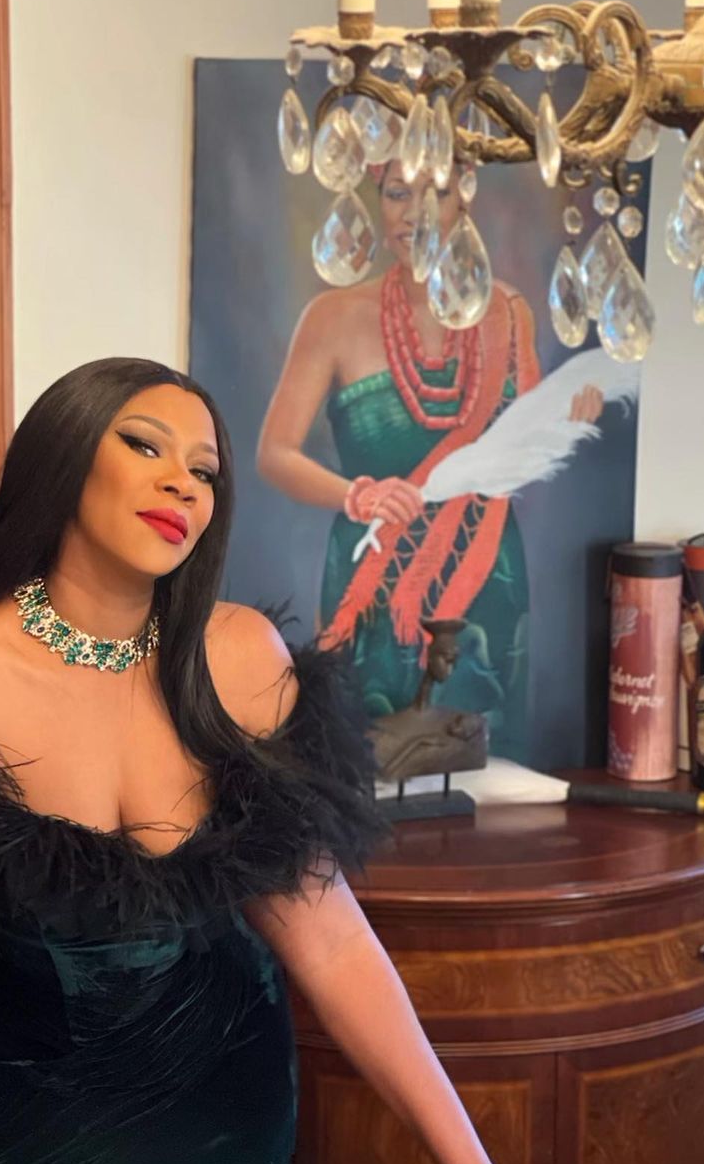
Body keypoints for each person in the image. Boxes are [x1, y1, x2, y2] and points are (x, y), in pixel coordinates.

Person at [0, 358, 654, 1164]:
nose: (182, 485)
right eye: (145, 446)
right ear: (64, 457)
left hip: (229, 1089)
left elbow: (331, 942)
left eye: (204, 470)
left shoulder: (241, 659)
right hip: (29, 1098)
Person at [257, 161, 604, 761]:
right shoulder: (332, 316)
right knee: (363, 767)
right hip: (371, 576)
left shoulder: (507, 312)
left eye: (435, 194)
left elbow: (521, 448)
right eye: (397, 193)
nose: (414, 213)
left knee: (483, 770)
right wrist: (357, 496)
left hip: (486, 573)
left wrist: (569, 421)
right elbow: (274, 454)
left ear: (462, 202)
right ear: (378, 203)